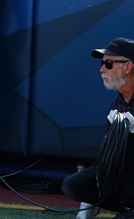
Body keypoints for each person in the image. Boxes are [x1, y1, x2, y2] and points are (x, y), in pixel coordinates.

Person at [62, 37, 134, 219]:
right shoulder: (116, 104)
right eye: (102, 64)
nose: (101, 69)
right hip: (126, 186)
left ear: (128, 67)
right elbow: (107, 157)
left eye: (108, 64)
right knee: (73, 185)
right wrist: (86, 205)